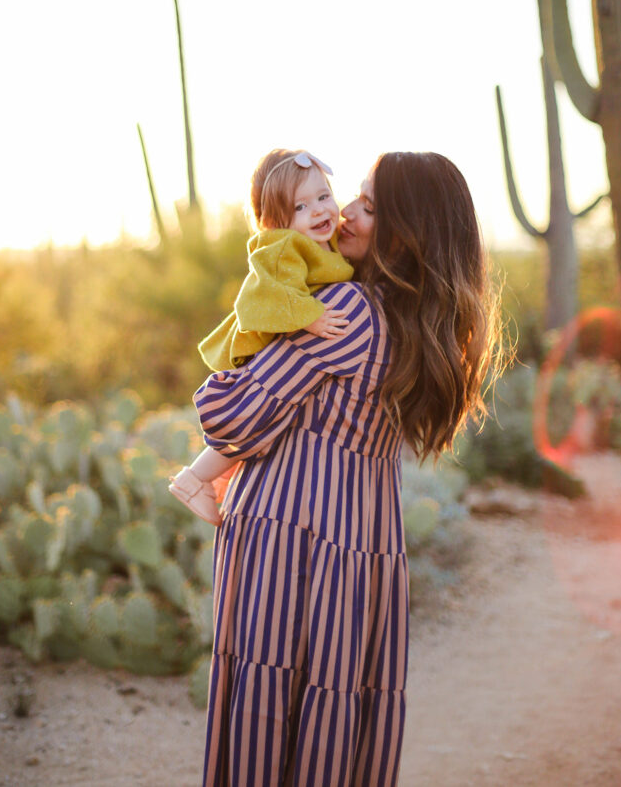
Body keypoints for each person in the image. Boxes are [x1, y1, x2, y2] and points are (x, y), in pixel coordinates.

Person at [192, 151, 502, 786]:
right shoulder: (415, 325)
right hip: (363, 542)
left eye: (370, 205)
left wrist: (232, 374)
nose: (347, 215)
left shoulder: (350, 311)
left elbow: (233, 419)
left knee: (266, 711)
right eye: (353, 197)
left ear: (408, 232)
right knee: (332, 722)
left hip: (289, 535)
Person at [169, 149, 354, 525]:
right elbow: (261, 297)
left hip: (282, 355)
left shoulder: (323, 244)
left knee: (264, 432)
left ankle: (215, 483)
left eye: (323, 197)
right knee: (250, 420)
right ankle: (193, 479)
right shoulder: (282, 246)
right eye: (300, 207)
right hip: (259, 352)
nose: (319, 211)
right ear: (274, 221)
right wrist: (311, 316)